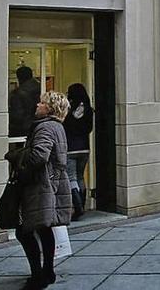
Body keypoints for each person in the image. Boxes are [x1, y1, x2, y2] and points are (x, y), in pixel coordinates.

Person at [7, 91, 72, 290]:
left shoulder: (44, 127)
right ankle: (48, 271)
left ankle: (38, 275)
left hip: (39, 185)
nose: (37, 104)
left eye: (42, 103)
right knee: (44, 229)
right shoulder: (57, 127)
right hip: (51, 183)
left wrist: (17, 156)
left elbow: (39, 156)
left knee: (25, 231)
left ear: (50, 108)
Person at [63, 83, 94, 220]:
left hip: (70, 148)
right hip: (84, 147)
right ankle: (82, 203)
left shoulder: (69, 110)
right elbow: (89, 129)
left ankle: (77, 206)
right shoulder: (88, 110)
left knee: (71, 177)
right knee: (81, 176)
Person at [9, 66, 41, 137]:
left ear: (19, 78)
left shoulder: (18, 93)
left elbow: (17, 115)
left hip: (23, 128)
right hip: (38, 125)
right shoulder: (41, 88)